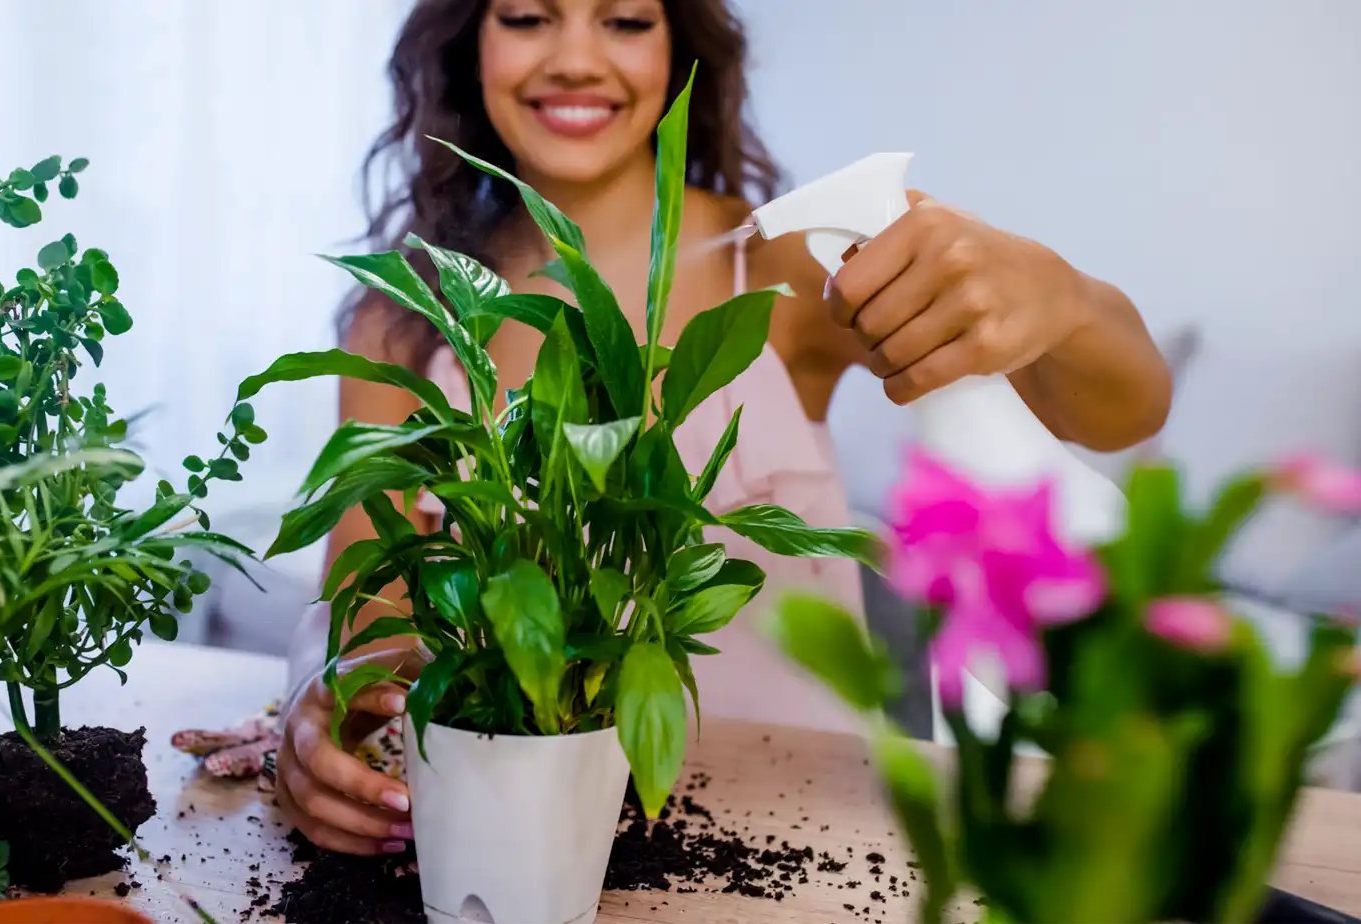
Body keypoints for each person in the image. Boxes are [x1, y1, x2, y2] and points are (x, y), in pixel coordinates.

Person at [252, 0, 1172, 856]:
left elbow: (1122, 410)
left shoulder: (787, 269)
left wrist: (1061, 298)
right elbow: (366, 614)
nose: (575, 60)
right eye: (528, 16)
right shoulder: (406, 320)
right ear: (469, 44)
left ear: (677, 46)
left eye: (624, 19)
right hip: (524, 847)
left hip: (809, 853)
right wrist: (315, 706)